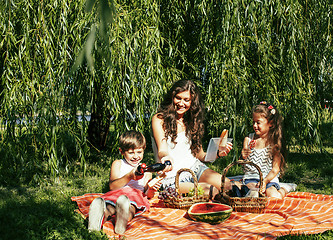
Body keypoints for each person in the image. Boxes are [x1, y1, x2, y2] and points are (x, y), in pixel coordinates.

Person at [151, 79, 233, 197]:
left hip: (195, 168)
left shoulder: (192, 120)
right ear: (172, 97)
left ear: (192, 102)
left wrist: (218, 153)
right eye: (178, 98)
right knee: (211, 191)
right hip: (173, 177)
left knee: (227, 185)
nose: (181, 103)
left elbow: (200, 155)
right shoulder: (159, 119)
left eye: (186, 100)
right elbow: (162, 149)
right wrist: (165, 157)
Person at [88, 130, 162, 234]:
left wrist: (151, 188)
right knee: (109, 207)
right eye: (131, 153)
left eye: (139, 152)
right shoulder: (118, 164)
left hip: (135, 196)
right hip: (116, 194)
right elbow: (112, 187)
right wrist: (129, 176)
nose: (136, 156)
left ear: (144, 150)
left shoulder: (146, 171)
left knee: (130, 208)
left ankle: (120, 223)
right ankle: (97, 219)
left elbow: (148, 195)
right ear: (122, 151)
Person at [241, 101, 291, 198]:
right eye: (253, 122)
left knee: (274, 196)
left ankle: (284, 189)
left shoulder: (274, 143)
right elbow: (244, 163)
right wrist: (243, 156)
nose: (255, 125)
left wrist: (265, 181)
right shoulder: (248, 139)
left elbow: (275, 169)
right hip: (251, 178)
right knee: (252, 195)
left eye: (258, 122)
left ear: (271, 123)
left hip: (269, 179)